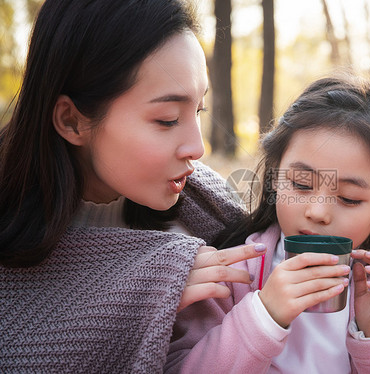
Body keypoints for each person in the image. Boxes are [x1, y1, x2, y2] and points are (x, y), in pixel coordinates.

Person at [0, 1, 266, 372]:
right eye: (167, 119)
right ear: (71, 121)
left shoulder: (207, 210)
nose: (198, 148)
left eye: (198, 111)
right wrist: (139, 298)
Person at [166, 74, 370, 373]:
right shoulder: (230, 278)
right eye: (301, 184)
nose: (317, 212)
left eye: (349, 198)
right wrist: (264, 316)